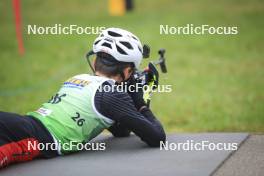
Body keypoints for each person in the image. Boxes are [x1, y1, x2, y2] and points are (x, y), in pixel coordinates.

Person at [0, 28, 166, 169]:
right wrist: (142, 97)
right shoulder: (111, 94)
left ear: (94, 62)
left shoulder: (79, 77)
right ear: (129, 72)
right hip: (36, 139)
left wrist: (131, 94)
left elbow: (120, 130)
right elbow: (157, 137)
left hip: (25, 125)